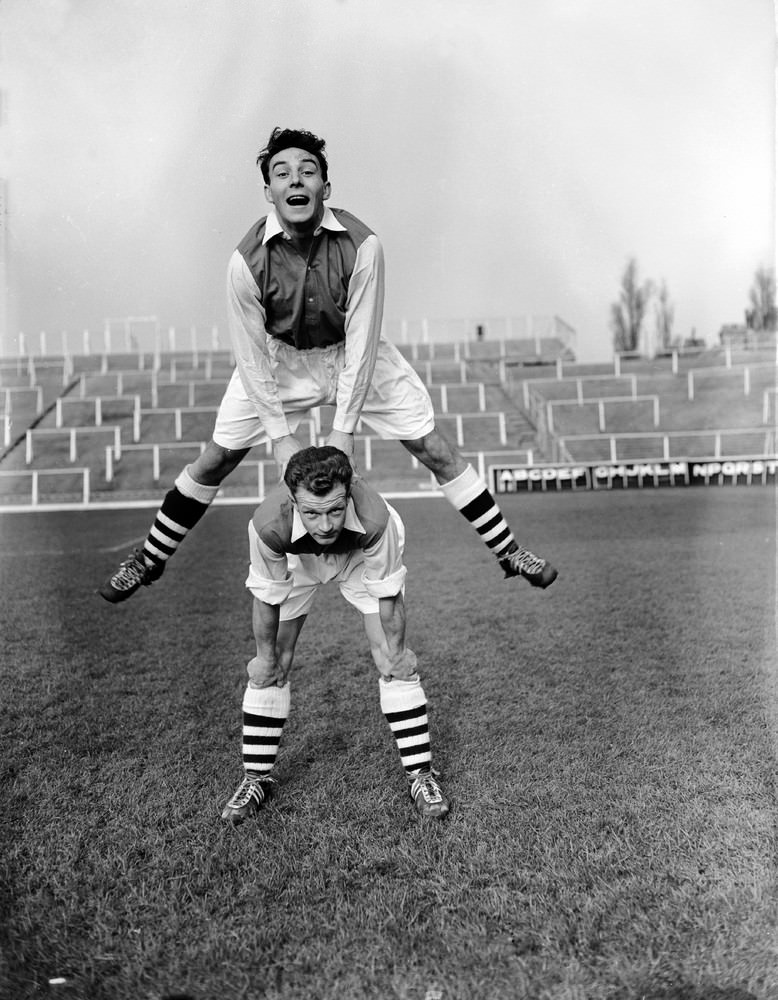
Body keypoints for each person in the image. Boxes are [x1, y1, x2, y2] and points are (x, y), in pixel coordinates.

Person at [99, 127, 558, 603]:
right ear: (269, 193)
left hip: (350, 354)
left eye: (307, 171)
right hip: (279, 359)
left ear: (325, 188)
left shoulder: (364, 246)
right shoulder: (244, 261)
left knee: (435, 449)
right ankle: (149, 559)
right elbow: (251, 356)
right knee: (216, 458)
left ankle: (509, 551)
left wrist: (344, 431)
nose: (295, 180)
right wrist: (279, 436)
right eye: (282, 173)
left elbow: (361, 345)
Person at [221, 445, 449, 825]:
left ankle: (421, 776)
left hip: (360, 556)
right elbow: (265, 599)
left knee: (393, 661)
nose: (325, 525)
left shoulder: (377, 521)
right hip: (297, 558)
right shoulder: (268, 526)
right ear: (293, 502)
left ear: (348, 494)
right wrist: (263, 659)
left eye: (334, 510)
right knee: (271, 663)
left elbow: (388, 598)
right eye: (311, 512)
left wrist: (397, 653)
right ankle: (255, 779)